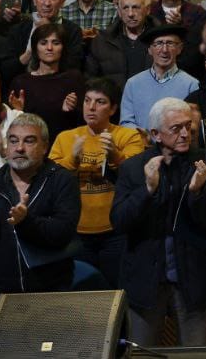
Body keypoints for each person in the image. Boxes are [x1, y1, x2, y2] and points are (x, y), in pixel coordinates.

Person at [111, 96, 206, 346]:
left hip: (193, 279)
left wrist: (197, 193)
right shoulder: (134, 168)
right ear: (155, 134)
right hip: (145, 280)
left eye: (188, 126)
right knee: (141, 352)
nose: (185, 133)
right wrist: (147, 190)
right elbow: (119, 221)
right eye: (176, 128)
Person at [47, 77, 144, 287]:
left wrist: (115, 157)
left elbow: (137, 178)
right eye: (87, 100)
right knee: (83, 297)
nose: (91, 107)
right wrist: (72, 159)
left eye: (100, 102)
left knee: (118, 292)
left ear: (113, 108)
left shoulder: (128, 136)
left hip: (116, 232)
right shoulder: (65, 138)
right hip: (76, 234)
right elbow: (50, 182)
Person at [0, 113, 81, 294]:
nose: (19, 148)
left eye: (28, 141)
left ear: (44, 146)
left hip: (49, 291)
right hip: (2, 292)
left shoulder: (62, 180)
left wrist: (26, 222)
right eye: (13, 141)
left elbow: (63, 233)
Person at [119, 24, 198, 129]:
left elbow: (193, 124)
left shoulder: (191, 84)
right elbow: (126, 122)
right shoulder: (133, 84)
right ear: (150, 49)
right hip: (140, 144)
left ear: (179, 48)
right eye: (158, 43)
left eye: (170, 43)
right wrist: (142, 136)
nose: (164, 50)